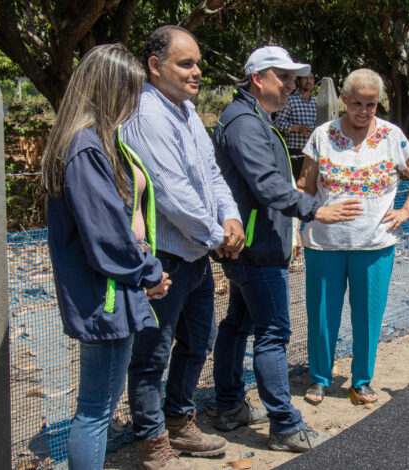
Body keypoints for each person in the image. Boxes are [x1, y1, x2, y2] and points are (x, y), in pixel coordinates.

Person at [211, 46, 364, 453]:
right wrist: (316, 211)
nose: (292, 85)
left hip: (257, 243)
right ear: (259, 79)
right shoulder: (245, 122)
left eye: (294, 78)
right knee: (273, 333)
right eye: (284, 77)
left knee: (238, 324)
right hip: (257, 248)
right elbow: (266, 184)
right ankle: (284, 424)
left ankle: (228, 406)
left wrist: (289, 230)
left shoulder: (253, 118)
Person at [120, 26, 246, 470]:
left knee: (198, 342)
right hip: (165, 258)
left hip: (194, 255)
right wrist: (219, 238)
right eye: (185, 64)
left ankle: (177, 417)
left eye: (197, 63)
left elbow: (212, 175)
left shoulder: (188, 111)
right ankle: (152, 439)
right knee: (153, 352)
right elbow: (172, 194)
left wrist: (230, 218)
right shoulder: (144, 115)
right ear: (155, 67)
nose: (196, 72)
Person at [41, 43, 171, 470]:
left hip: (110, 292)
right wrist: (147, 271)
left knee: (96, 406)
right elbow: (106, 236)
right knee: (96, 410)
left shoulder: (91, 141)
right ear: (109, 89)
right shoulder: (85, 147)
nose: (135, 102)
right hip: (106, 297)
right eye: (130, 91)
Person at [297, 68, 409, 406]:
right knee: (322, 315)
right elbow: (305, 188)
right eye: (357, 103)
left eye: (372, 104)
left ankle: (361, 381)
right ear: (343, 100)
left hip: (374, 245)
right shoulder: (322, 136)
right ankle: (320, 379)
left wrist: (406, 210)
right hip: (325, 244)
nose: (365, 111)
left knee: (368, 315)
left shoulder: (391, 136)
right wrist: (296, 228)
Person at [274, 71, 316, 179]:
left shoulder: (317, 103)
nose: (309, 81)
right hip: (295, 152)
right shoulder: (290, 101)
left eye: (311, 78)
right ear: (298, 82)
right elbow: (278, 123)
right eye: (305, 78)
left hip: (313, 152)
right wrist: (298, 128)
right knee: (296, 185)